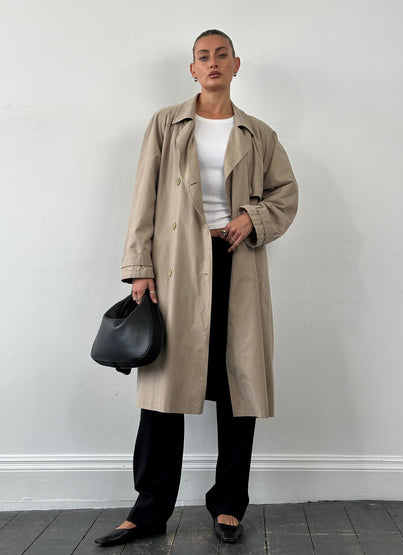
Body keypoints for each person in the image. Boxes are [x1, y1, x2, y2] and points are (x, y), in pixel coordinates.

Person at [95, 29, 298, 548]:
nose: (212, 63)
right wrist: (139, 267)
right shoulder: (166, 123)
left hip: (238, 262)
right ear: (192, 69)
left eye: (221, 55)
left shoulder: (258, 133)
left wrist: (252, 217)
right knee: (164, 391)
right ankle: (149, 510)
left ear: (236, 64)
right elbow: (143, 198)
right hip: (174, 268)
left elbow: (285, 193)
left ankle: (229, 505)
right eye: (203, 56)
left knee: (238, 389)